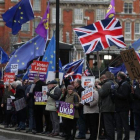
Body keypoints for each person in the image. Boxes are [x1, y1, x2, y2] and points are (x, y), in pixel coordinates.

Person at [98, 71, 115, 140]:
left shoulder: (107, 84)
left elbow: (102, 94)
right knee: (111, 124)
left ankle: (109, 137)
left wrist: (100, 88)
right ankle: (111, 137)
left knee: (108, 124)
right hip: (112, 107)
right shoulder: (113, 83)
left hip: (106, 107)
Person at [115, 72, 131, 140]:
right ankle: (119, 138)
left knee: (125, 124)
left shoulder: (125, 85)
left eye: (117, 77)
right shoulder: (121, 84)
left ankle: (126, 138)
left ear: (119, 77)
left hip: (123, 108)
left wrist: (115, 93)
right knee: (119, 125)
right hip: (119, 108)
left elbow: (124, 96)